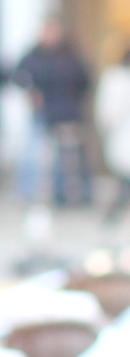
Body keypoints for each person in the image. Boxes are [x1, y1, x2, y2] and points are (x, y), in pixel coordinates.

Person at [13, 18, 93, 207]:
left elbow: (85, 79)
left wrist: (74, 99)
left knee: (66, 156)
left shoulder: (70, 55)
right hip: (43, 111)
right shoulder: (34, 55)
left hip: (66, 112)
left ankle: (64, 194)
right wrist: (31, 91)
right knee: (32, 153)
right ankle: (28, 192)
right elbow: (18, 76)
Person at [95, 46, 130, 224]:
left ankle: (111, 214)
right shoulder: (117, 79)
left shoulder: (114, 79)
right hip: (122, 136)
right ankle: (111, 214)